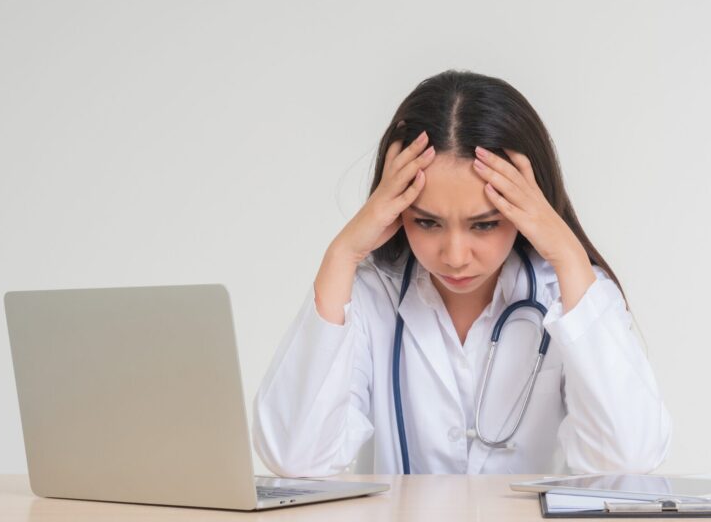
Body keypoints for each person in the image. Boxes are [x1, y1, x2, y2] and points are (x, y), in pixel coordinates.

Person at [252, 70, 672, 476]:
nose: (454, 256)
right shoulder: (367, 296)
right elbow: (294, 459)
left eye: (484, 224)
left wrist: (566, 253)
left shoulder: (569, 294)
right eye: (427, 222)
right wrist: (341, 254)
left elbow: (630, 460)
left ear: (528, 210)